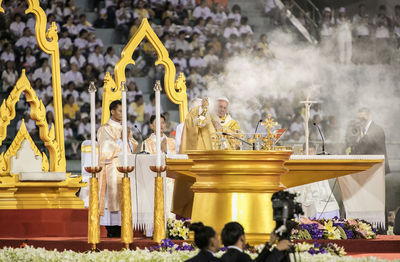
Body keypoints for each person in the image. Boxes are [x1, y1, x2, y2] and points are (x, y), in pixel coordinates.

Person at [97, 100, 138, 237]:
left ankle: (123, 227)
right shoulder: (105, 129)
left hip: (126, 168)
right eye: (120, 111)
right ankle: (112, 230)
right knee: (113, 200)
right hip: (112, 169)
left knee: (125, 200)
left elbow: (132, 146)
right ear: (112, 111)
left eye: (124, 111)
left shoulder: (125, 127)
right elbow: (105, 150)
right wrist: (122, 139)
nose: (122, 114)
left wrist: (127, 139)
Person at [220, 222, 291, 262]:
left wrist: (269, 244)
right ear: (242, 237)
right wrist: (277, 250)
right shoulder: (242, 257)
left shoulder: (224, 257)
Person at [350, 107, 390, 173]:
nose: (360, 121)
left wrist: (361, 138)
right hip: (368, 167)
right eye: (358, 119)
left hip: (377, 167)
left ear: (369, 116)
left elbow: (367, 146)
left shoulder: (377, 129)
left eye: (362, 118)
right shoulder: (362, 129)